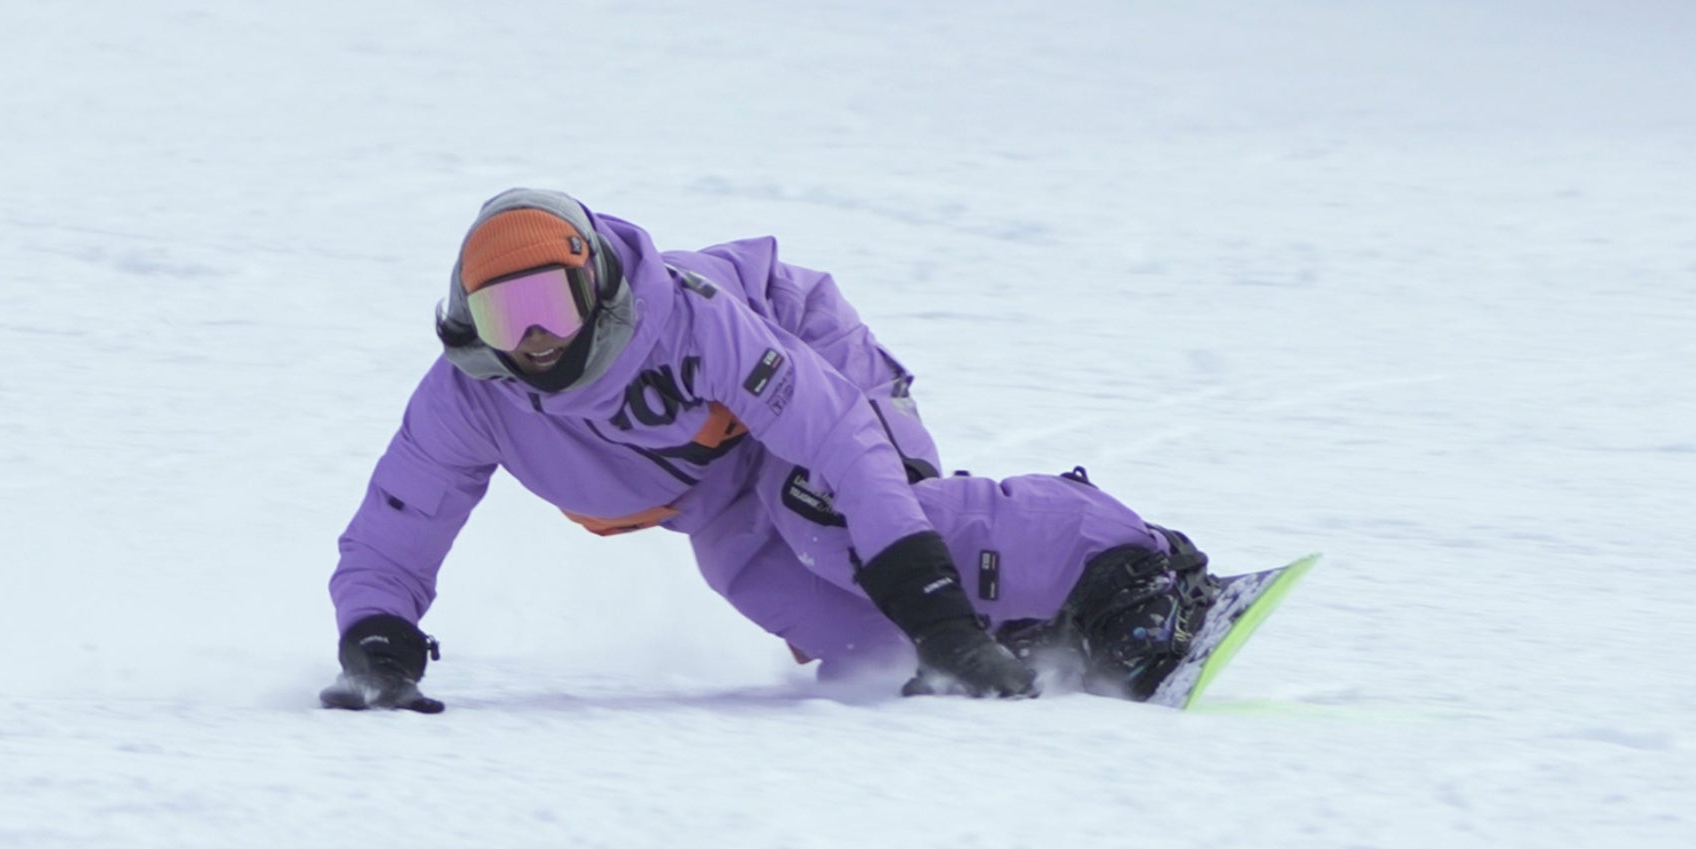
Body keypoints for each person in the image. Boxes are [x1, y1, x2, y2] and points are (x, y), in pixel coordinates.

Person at [324, 189, 1220, 713]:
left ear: (592, 287)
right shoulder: (471, 396)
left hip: (809, 367)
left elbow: (836, 441)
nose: (534, 343)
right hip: (711, 484)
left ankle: (1122, 574)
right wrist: (377, 637)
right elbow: (399, 518)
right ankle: (1027, 632)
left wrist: (938, 614)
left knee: (835, 524)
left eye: (549, 309)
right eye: (502, 320)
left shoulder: (687, 317)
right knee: (818, 614)